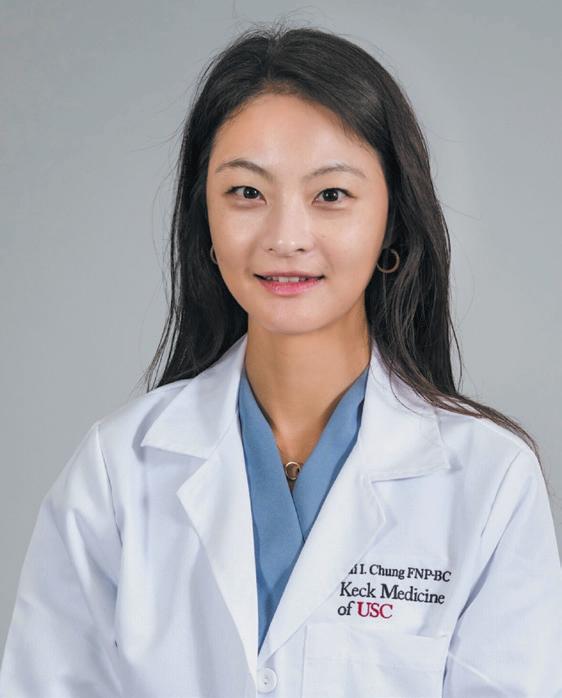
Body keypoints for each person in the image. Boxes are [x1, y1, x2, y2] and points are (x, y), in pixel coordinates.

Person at [1, 20, 561, 698]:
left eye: (331, 196)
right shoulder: (118, 471)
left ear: (391, 219)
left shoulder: (489, 480)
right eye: (246, 193)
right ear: (204, 219)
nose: (286, 237)